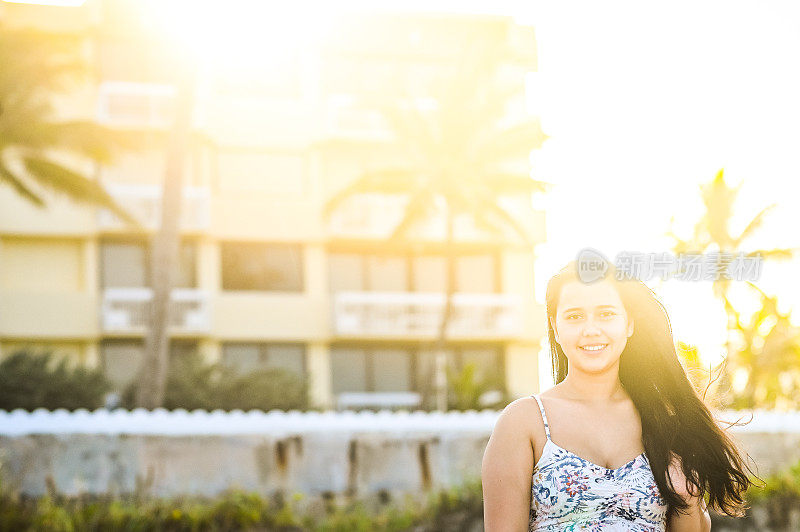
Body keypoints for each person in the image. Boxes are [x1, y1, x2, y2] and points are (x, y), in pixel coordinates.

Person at [482, 260, 759, 531]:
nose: (591, 330)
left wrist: (687, 495)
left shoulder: (666, 423)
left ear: (629, 324)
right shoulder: (523, 422)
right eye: (575, 316)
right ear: (555, 327)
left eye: (606, 314)